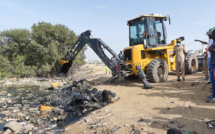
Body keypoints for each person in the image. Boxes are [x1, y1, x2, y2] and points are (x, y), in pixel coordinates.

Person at [207, 29, 215, 102]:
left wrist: (211, 48)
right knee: (213, 80)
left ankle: (214, 96)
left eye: (212, 34)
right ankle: (213, 95)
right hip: (213, 62)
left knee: (214, 79)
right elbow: (210, 49)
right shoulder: (213, 42)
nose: (211, 35)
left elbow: (210, 49)